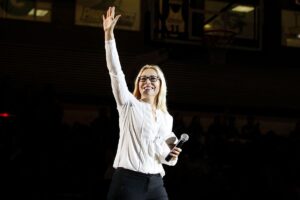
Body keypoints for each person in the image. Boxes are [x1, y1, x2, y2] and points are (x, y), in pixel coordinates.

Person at [103, 6, 182, 200]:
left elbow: (163, 156)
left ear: (160, 84)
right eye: (143, 78)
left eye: (153, 78)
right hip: (128, 181)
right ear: (138, 84)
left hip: (156, 183)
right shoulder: (128, 104)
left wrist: (172, 154)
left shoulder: (166, 118)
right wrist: (108, 35)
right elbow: (115, 71)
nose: (147, 81)